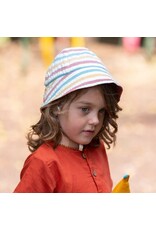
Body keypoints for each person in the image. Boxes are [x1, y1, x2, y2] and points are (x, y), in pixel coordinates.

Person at [14, 47, 123, 193]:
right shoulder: (43, 163)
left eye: (101, 111)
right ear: (57, 107)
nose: (96, 120)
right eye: (85, 109)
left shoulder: (97, 148)